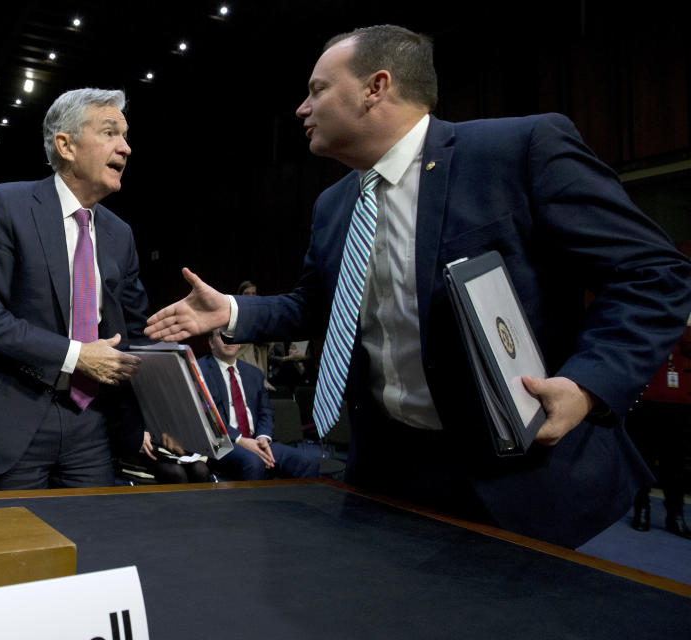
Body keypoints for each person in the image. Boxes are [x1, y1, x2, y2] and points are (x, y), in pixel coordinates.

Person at [145, 25, 691, 547]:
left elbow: (653, 274)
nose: (301, 108)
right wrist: (233, 312)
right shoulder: (334, 205)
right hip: (386, 476)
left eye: (317, 90)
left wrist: (588, 383)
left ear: (374, 89)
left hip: (514, 476)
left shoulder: (518, 150)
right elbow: (318, 304)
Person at [0, 87, 148, 490]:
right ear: (66, 145)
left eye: (125, 136)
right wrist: (77, 356)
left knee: (94, 549)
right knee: (18, 551)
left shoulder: (119, 233)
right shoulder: (5, 205)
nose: (125, 148)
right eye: (110, 133)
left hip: (91, 424)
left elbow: (135, 332)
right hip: (11, 419)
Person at [199, 330, 318, 481]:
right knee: (254, 462)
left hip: (257, 441)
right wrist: (241, 440)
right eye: (221, 336)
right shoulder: (199, 371)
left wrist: (263, 438)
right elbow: (206, 416)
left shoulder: (254, 373)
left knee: (307, 463)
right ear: (211, 342)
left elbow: (265, 411)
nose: (228, 341)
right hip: (221, 444)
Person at [627, 319, 691, 539]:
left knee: (675, 463)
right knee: (643, 458)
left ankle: (675, 515)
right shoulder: (646, 323)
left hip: (679, 407)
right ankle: (642, 510)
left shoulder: (684, 330)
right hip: (646, 404)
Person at [233, 280, 273, 390]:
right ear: (240, 295)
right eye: (247, 293)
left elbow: (270, 338)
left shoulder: (261, 313)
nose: (250, 296)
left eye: (253, 293)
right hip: (241, 359)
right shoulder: (233, 313)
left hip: (258, 356)